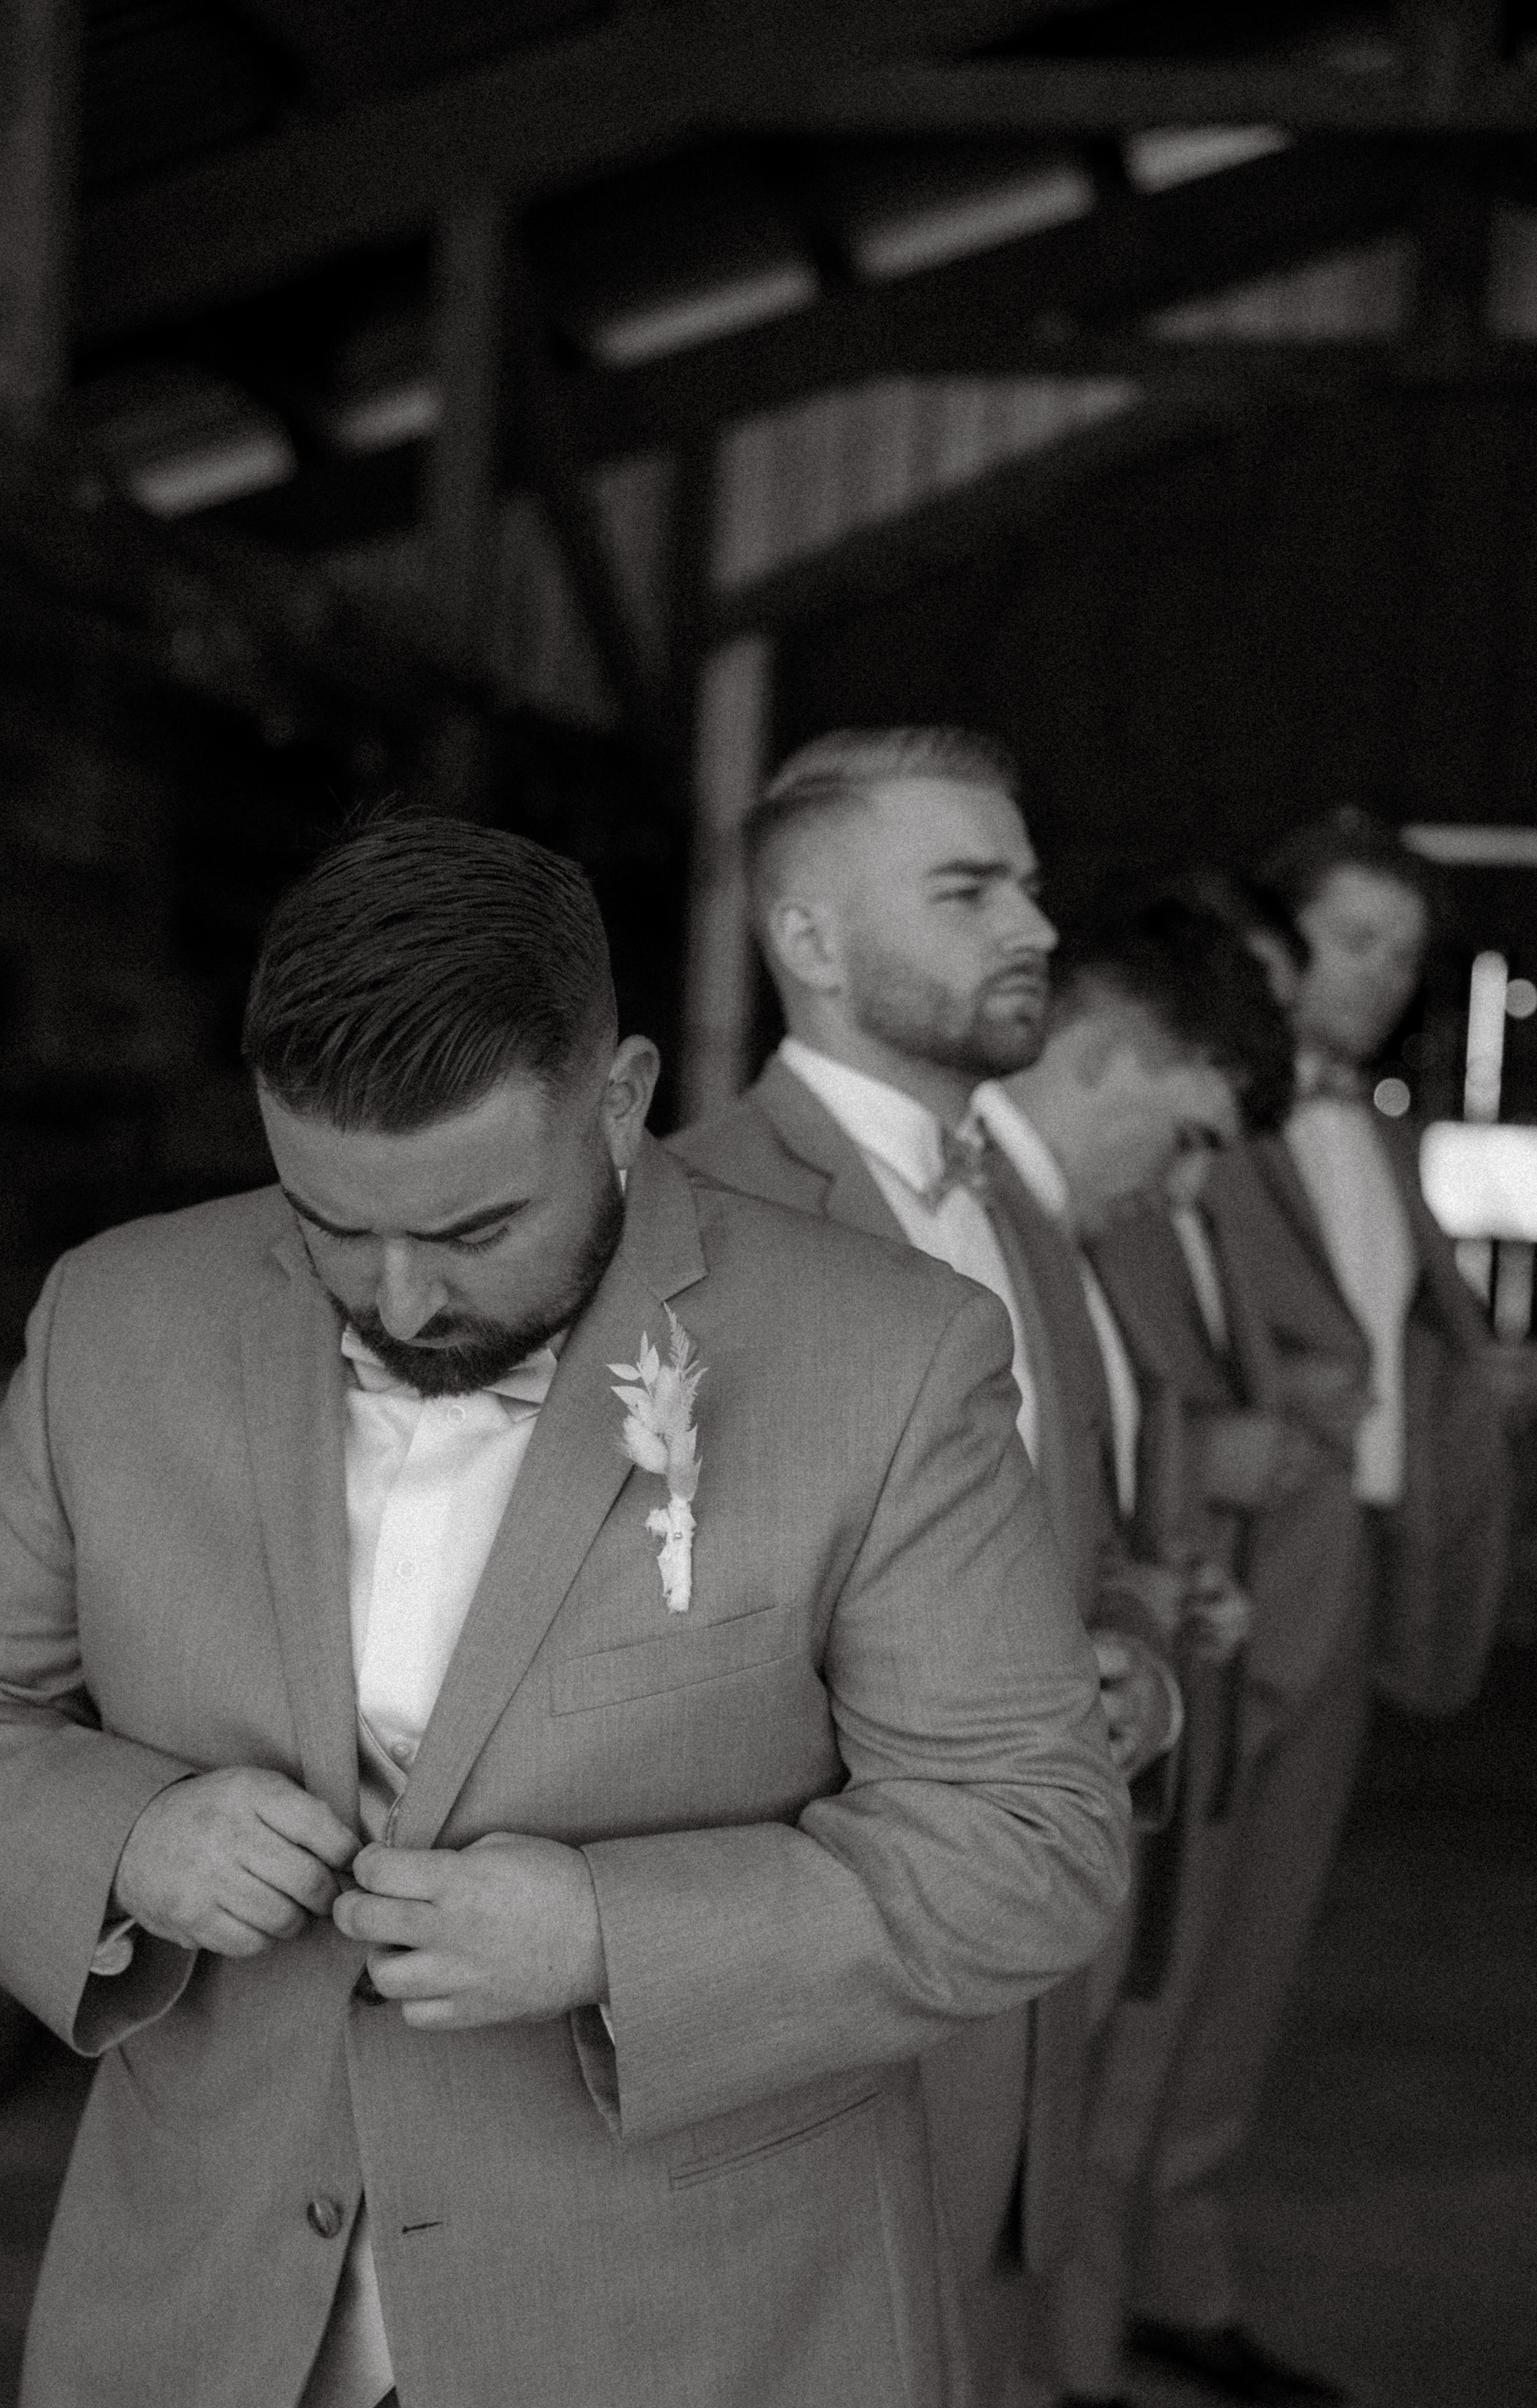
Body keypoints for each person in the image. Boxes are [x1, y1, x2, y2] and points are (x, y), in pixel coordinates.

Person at [0, 814, 1130, 2408]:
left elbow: (1030, 1839)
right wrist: (123, 1838)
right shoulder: (115, 1316)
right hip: (197, 2311)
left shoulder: (891, 1356)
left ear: (622, 1101)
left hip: (699, 2332)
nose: (402, 1298)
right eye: (331, 1222)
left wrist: (609, 1935)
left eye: (474, 1229)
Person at [671, 731, 1245, 2382]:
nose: (1037, 929)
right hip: (821, 1999)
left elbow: (1092, 1542)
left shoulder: (1026, 1220)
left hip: (1022, 1983)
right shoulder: (697, 1213)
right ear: (811, 940)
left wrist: (1136, 1666)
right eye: (969, 891)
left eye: (1032, 888)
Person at [1095, 828, 1512, 2407]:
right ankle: (1088, 2295)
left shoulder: (1378, 1133)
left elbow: (1393, 1346)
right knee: (1159, 1952)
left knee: (1254, 1955)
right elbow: (1122, 1345)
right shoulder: (1191, 1130)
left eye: (1406, 950)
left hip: (1343, 1573)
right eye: (1356, 940)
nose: (1382, 975)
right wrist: (1217, 1453)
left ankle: (1179, 2267)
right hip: (1217, 1573)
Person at [1046, 890, 1365, 2408]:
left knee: (1158, 2020)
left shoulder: (1188, 1180)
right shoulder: (1065, 1205)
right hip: (1071, 1709)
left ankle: (1091, 2342)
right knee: (1080, 2062)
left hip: (1186, 1635)